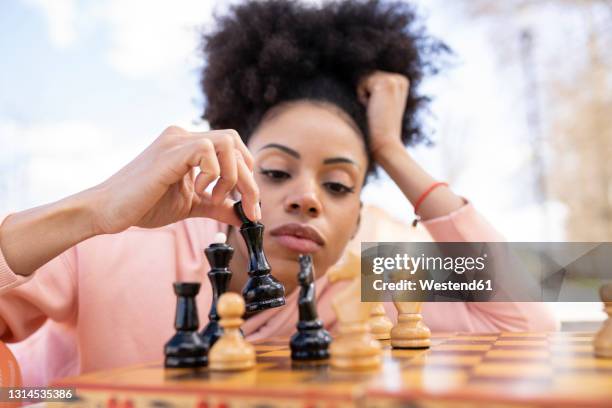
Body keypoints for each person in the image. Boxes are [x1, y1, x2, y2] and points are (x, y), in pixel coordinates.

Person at [0, 0, 558, 386]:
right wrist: (95, 209)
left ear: (358, 216)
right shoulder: (118, 236)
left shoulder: (364, 278)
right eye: (273, 172)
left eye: (339, 184)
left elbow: (527, 319)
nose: (306, 197)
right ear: (228, 167)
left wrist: (390, 148)